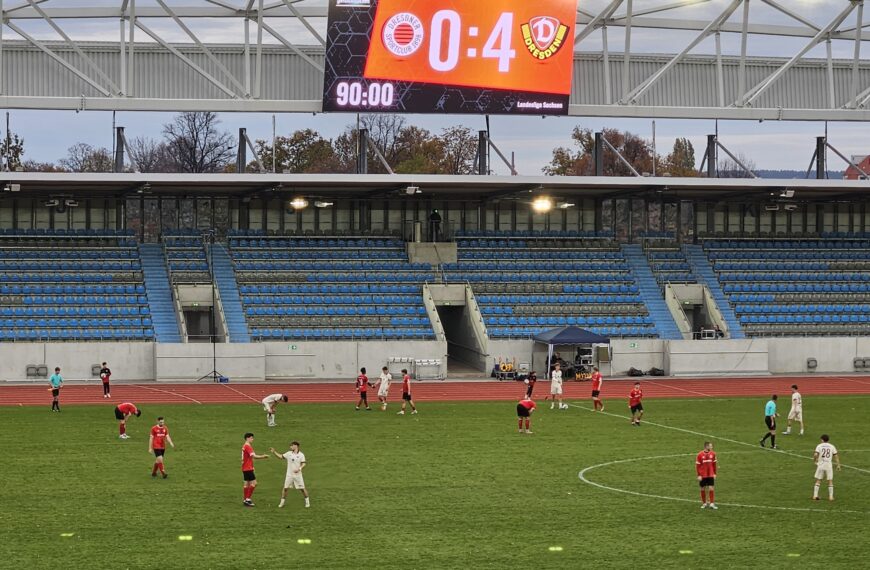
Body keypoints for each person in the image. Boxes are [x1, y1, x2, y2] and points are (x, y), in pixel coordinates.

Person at [270, 441, 310, 509]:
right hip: (289, 475)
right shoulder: (288, 453)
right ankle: (282, 503)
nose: (290, 447)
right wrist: (274, 452)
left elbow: (304, 463)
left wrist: (299, 469)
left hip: (298, 475)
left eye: (291, 445)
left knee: (302, 489)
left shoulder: (301, 455)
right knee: (285, 488)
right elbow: (281, 456)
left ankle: (307, 502)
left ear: (296, 446)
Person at [241, 432, 269, 507]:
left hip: (245, 467)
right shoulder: (248, 446)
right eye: (251, 438)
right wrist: (263, 456)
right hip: (248, 468)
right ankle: (248, 499)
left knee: (246, 484)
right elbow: (254, 456)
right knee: (254, 483)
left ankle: (245, 500)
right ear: (247, 438)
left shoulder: (244, 446)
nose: (252, 439)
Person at [812, 434, 841, 501]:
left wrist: (815, 460)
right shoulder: (832, 446)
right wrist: (838, 465)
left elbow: (815, 454)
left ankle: (815, 495)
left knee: (818, 480)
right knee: (830, 480)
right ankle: (830, 497)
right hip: (828, 465)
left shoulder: (819, 446)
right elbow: (836, 456)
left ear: (822, 439)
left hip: (821, 464)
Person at [696, 441, 718, 510]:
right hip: (703, 475)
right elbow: (698, 466)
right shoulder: (699, 455)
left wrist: (714, 473)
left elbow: (714, 465)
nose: (712, 447)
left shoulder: (713, 454)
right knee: (702, 489)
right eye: (710, 446)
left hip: (710, 474)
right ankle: (704, 503)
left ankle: (711, 503)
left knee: (711, 488)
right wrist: (699, 475)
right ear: (706, 446)